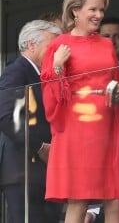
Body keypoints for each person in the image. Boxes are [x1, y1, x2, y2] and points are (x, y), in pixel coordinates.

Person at [40, 0, 119, 223]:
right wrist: (58, 66)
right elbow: (50, 93)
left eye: (101, 10)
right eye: (93, 9)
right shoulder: (59, 45)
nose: (98, 15)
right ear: (76, 11)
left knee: (114, 195)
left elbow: (116, 79)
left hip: (110, 121)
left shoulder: (106, 44)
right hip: (78, 125)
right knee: (79, 199)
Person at [0, 20, 63, 223]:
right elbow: (8, 117)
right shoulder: (16, 70)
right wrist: (40, 147)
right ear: (31, 44)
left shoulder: (42, 74)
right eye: (51, 46)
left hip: (42, 172)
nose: (54, 52)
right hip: (24, 169)